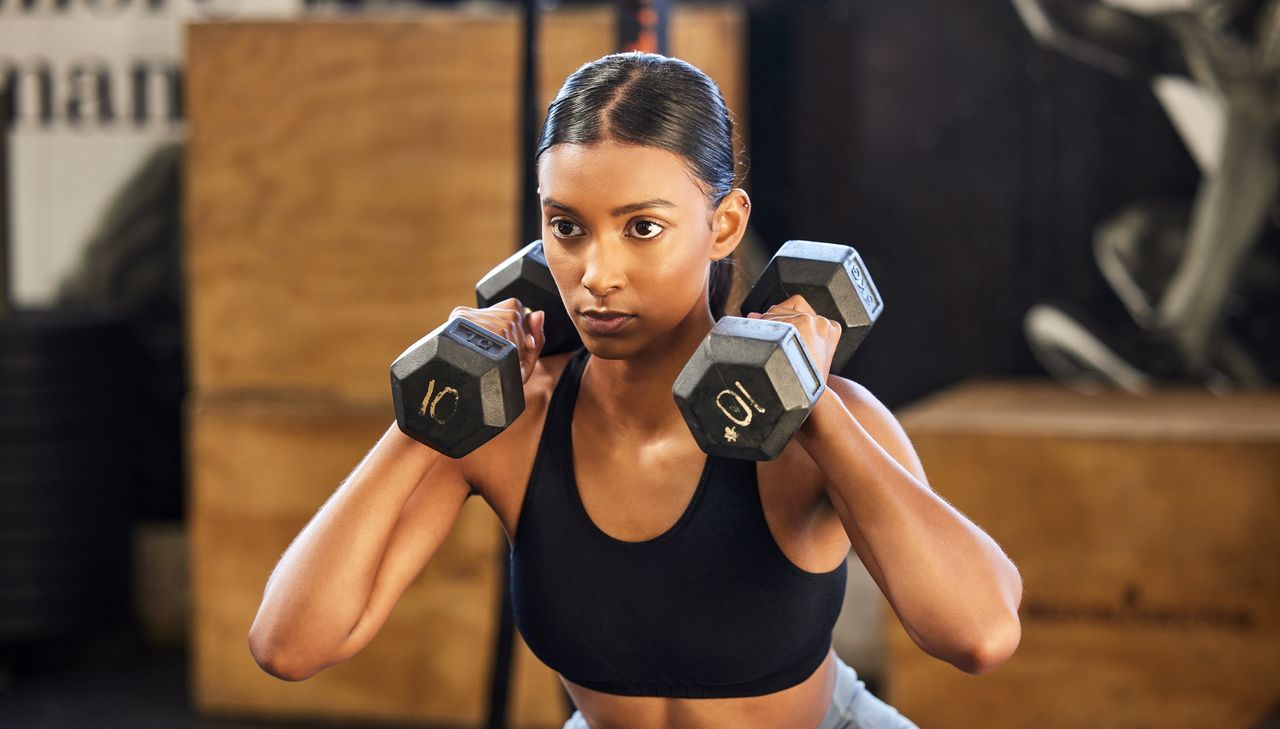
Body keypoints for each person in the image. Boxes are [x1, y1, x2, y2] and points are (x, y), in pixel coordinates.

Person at [247, 52, 1023, 729]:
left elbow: (981, 635)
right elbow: (289, 644)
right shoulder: (510, 423)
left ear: (722, 225)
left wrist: (809, 403)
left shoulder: (826, 423)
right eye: (567, 226)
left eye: (641, 227)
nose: (596, 274)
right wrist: (424, 416)